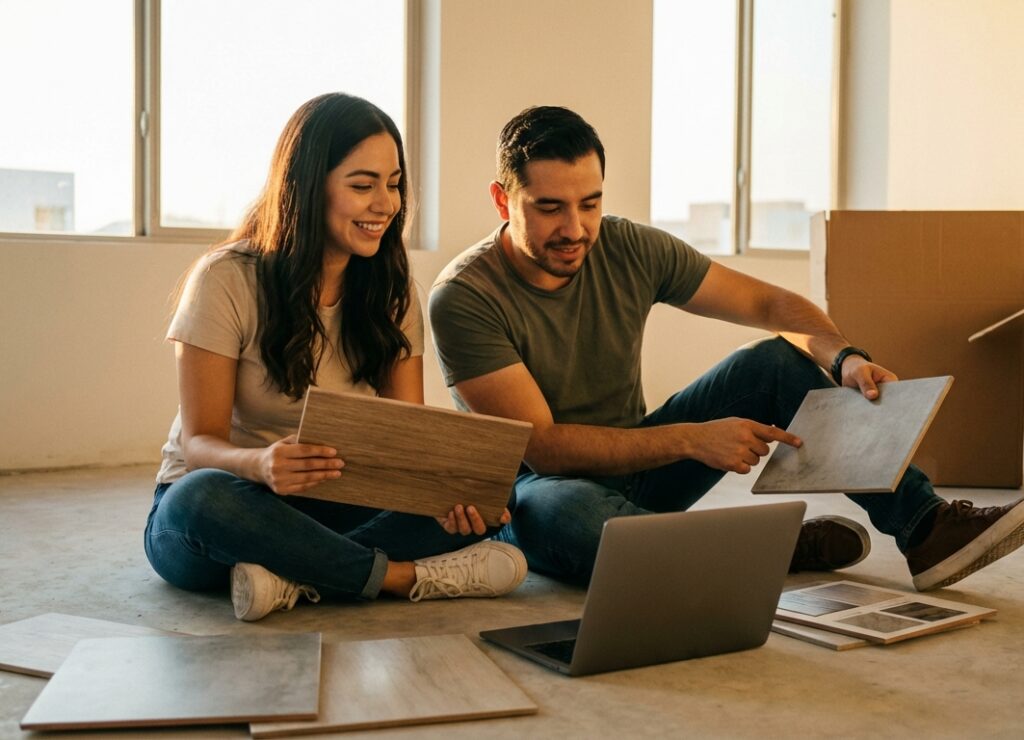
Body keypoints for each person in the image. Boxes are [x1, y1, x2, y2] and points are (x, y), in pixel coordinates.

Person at [428, 105, 1024, 592]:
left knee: (775, 360)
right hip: (538, 494)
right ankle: (765, 549)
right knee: (572, 518)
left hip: (642, 473)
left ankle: (924, 526)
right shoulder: (464, 296)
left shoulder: (629, 248)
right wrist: (693, 438)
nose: (576, 228)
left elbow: (772, 306)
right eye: (550, 207)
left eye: (591, 202)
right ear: (503, 201)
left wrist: (844, 358)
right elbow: (545, 448)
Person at [145, 93, 526, 622]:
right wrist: (261, 463)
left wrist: (450, 489)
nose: (386, 204)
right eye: (363, 185)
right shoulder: (225, 279)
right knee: (199, 500)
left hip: (337, 505)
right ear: (307, 187)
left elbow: (405, 437)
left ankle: (294, 579)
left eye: (393, 185)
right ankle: (399, 578)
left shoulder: (392, 293)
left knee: (488, 499)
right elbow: (199, 441)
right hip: (233, 501)